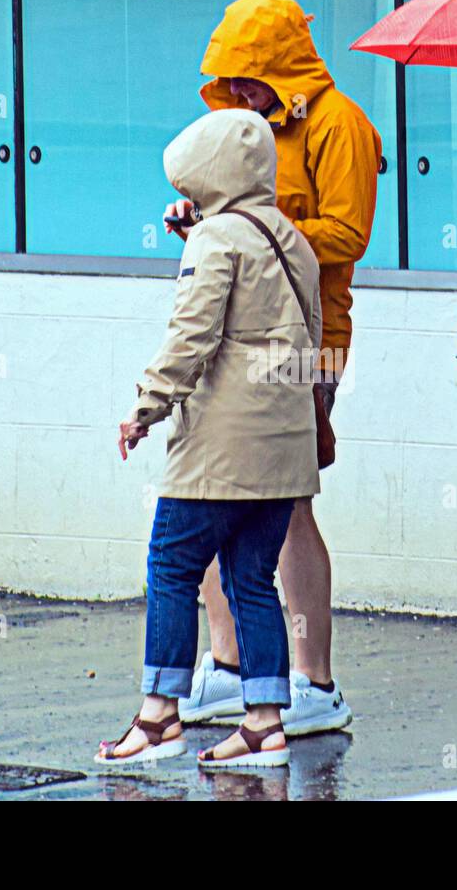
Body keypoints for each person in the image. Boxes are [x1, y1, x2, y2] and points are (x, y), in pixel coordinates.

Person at [166, 0, 381, 735]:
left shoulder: (338, 125)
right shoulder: (252, 128)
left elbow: (348, 235)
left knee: (287, 505)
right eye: (229, 85)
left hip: (308, 339)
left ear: (284, 67)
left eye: (250, 81)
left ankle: (314, 679)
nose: (240, 98)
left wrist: (254, 227)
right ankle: (227, 667)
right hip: (238, 333)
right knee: (217, 494)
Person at [98, 109, 322, 768]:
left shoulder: (215, 241)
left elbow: (193, 335)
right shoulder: (291, 240)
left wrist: (147, 406)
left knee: (171, 566)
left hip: (223, 444)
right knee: (252, 580)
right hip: (285, 442)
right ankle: (263, 725)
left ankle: (159, 716)